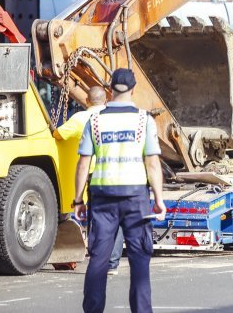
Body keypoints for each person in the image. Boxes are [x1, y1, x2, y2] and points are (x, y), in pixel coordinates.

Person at [73, 68, 166, 313]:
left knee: (99, 260)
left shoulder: (94, 121)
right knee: (139, 261)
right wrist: (158, 199)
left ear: (110, 91)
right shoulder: (144, 120)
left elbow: (83, 162)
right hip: (136, 198)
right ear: (134, 90)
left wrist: (78, 200)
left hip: (102, 198)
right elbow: (153, 162)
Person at [54, 87, 125, 276]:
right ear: (106, 100)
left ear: (86, 99)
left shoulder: (81, 119)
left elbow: (58, 135)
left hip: (98, 176)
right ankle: (112, 264)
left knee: (98, 219)